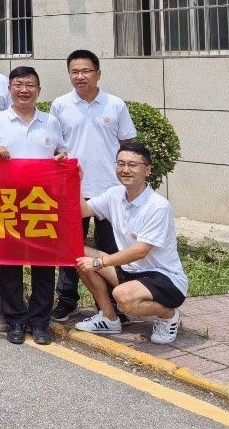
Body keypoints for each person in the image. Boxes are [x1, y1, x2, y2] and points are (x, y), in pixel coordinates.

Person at [0, 65, 68, 346]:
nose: (24, 90)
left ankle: (40, 322)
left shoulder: (51, 121)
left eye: (29, 85)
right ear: (9, 90)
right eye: (18, 85)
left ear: (38, 91)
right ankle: (15, 320)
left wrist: (61, 159)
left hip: (42, 202)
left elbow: (62, 152)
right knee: (11, 263)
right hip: (8, 202)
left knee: (44, 264)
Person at [50, 49, 138, 321]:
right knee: (70, 248)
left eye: (86, 71)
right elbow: (53, 145)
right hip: (72, 191)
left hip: (110, 190)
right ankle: (67, 300)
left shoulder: (115, 105)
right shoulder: (60, 105)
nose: (80, 76)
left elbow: (127, 145)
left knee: (111, 249)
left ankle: (113, 303)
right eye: (74, 72)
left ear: (98, 73)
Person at [74, 142, 187, 343]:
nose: (125, 169)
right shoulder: (114, 195)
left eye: (133, 165)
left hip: (164, 279)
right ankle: (109, 319)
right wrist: (76, 182)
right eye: (121, 164)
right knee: (77, 253)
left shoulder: (158, 206)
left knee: (122, 297)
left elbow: (140, 251)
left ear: (148, 170)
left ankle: (169, 314)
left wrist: (98, 262)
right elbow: (83, 211)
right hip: (130, 272)